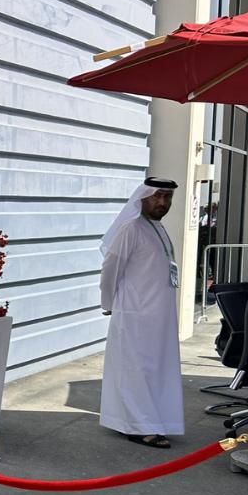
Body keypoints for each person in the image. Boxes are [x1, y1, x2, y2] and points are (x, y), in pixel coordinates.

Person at [99, 176, 184, 448]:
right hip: (135, 314)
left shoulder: (157, 228)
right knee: (136, 371)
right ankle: (140, 427)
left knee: (154, 371)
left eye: (167, 197)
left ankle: (152, 420)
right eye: (157, 196)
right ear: (143, 197)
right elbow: (110, 268)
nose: (162, 202)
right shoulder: (131, 228)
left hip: (159, 318)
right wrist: (108, 303)